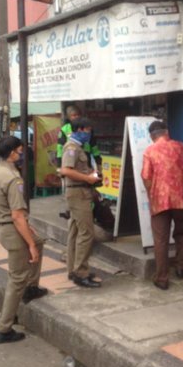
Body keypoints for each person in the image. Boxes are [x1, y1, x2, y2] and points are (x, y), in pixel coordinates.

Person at [0, 136, 47, 344]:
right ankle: (4, 328)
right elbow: (17, 215)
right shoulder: (13, 178)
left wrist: (32, 239)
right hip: (12, 230)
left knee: (39, 240)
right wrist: (29, 244)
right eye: (20, 152)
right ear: (11, 153)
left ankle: (32, 287)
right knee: (16, 278)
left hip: (2, 227)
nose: (21, 155)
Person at [141, 120, 183, 290]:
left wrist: (152, 195)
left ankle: (162, 278)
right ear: (166, 132)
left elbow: (146, 176)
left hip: (160, 201)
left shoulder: (149, 151)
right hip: (180, 199)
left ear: (152, 136)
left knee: (161, 240)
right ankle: (181, 266)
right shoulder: (179, 146)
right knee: (182, 233)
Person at [60, 117, 102, 288]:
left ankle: (73, 270)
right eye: (87, 130)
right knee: (86, 233)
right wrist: (88, 178)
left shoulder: (79, 147)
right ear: (79, 130)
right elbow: (65, 170)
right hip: (78, 193)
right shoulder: (71, 148)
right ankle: (81, 273)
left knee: (75, 232)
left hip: (81, 191)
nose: (89, 133)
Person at [56, 105, 102, 171]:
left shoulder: (86, 127)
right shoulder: (65, 129)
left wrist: (98, 162)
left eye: (78, 115)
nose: (76, 117)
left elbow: (94, 146)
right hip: (71, 157)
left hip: (85, 156)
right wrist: (59, 165)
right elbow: (60, 148)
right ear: (69, 117)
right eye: (74, 115)